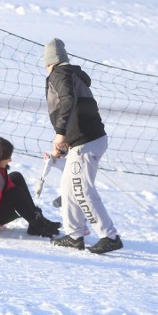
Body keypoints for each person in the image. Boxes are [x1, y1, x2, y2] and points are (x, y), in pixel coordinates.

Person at [44, 38, 123, 254]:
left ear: (49, 61)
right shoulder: (73, 75)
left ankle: (110, 236)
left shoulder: (59, 74)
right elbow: (77, 110)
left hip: (86, 141)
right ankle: (74, 235)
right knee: (69, 189)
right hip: (84, 140)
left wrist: (60, 133)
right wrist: (65, 141)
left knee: (81, 189)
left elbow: (67, 101)